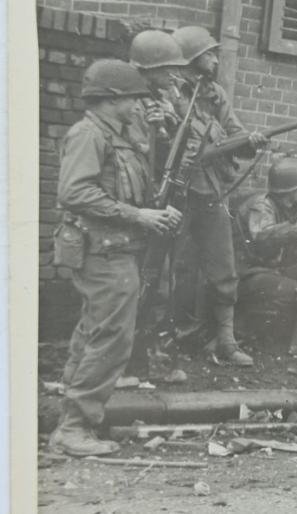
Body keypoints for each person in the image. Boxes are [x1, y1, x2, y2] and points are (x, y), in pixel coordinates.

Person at [49, 59, 183, 456]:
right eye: (131, 98)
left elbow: (127, 187)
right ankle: (74, 428)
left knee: (94, 332)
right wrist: (138, 216)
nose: (137, 105)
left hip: (117, 248)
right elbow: (74, 192)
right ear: (111, 98)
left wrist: (153, 210)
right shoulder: (89, 134)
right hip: (103, 251)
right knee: (112, 339)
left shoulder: (119, 136)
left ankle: (71, 420)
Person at [169, 25, 269, 366]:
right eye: (209, 54)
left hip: (212, 190)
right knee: (176, 267)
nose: (215, 60)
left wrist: (248, 142)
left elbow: (236, 132)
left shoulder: (215, 95)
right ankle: (172, 340)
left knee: (224, 267)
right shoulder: (171, 93)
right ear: (192, 58)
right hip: (178, 193)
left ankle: (225, 341)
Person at [121, 29, 189, 382]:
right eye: (168, 69)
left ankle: (150, 362)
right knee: (136, 287)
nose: (174, 76)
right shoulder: (130, 105)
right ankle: (125, 365)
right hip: (134, 207)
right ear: (149, 69)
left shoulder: (162, 102)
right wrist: (154, 132)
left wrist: (171, 125)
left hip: (157, 201)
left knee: (158, 284)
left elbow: (169, 155)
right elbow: (134, 156)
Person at [233, 157, 297, 358]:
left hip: (271, 272)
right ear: (290, 190)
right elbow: (263, 237)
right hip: (247, 276)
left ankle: (296, 338)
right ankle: (255, 331)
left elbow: (296, 247)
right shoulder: (261, 206)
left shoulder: (291, 211)